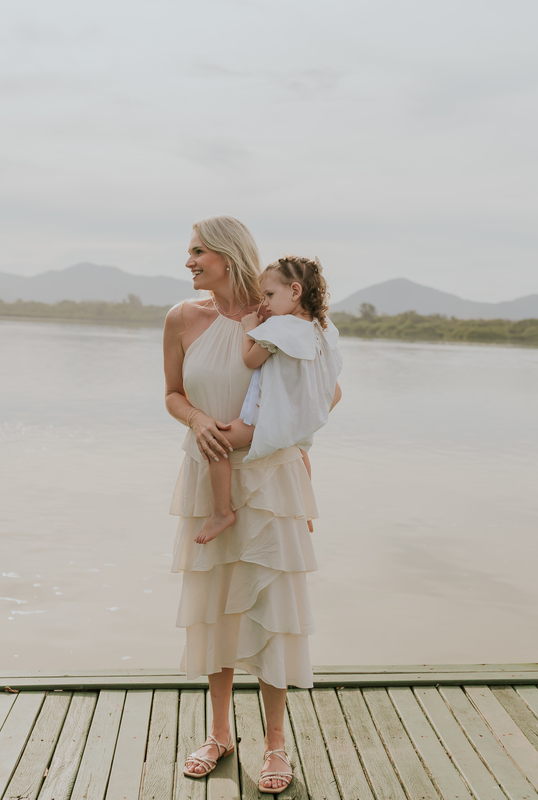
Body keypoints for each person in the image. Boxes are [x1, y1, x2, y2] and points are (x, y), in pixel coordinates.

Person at [163, 216, 341, 794]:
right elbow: (172, 394)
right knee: (215, 605)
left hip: (270, 480)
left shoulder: (280, 322)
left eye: (197, 251)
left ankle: (275, 745)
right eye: (189, 252)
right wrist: (197, 421)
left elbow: (326, 389)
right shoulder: (182, 319)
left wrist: (278, 436)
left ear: (227, 254)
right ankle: (218, 735)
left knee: (273, 610)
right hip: (206, 470)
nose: (188, 261)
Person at [193, 255, 343, 546]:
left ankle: (222, 512)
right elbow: (335, 389)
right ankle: (305, 511)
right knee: (298, 452)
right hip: (298, 419)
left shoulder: (279, 327)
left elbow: (250, 360)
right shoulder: (321, 330)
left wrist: (248, 327)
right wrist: (301, 414)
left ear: (295, 291)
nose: (266, 304)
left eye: (270, 295)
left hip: (266, 417)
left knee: (217, 444)